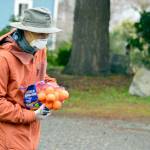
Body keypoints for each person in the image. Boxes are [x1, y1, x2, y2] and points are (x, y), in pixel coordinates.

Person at [0, 8, 61, 150]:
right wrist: (32, 115)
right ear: (26, 30)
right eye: (40, 33)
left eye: (47, 33)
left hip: (31, 131)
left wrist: (53, 88)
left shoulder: (39, 49)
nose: (45, 38)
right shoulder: (3, 58)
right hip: (7, 134)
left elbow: (41, 78)